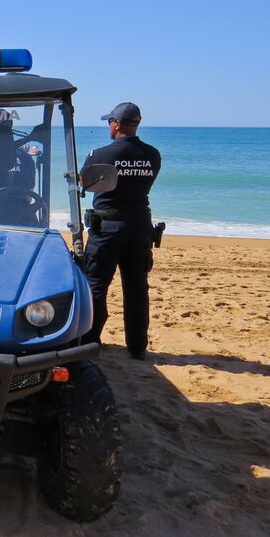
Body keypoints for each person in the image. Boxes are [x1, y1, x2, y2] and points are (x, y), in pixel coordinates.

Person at [81, 102, 161, 360]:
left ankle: (90, 341)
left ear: (116, 124)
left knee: (96, 285)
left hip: (107, 227)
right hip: (139, 226)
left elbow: (86, 183)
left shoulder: (100, 154)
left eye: (109, 122)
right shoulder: (152, 154)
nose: (108, 126)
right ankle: (137, 348)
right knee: (137, 287)